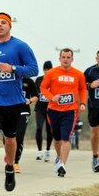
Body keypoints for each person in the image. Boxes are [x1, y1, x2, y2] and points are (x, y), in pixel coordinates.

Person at [0, 12, 38, 195]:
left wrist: (13, 68)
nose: (0, 25)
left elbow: (33, 69)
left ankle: (9, 167)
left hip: (13, 101)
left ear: (10, 26)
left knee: (10, 139)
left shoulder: (20, 46)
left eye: (3, 23)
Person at [38, 49, 87, 177]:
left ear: (72, 59)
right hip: (54, 110)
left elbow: (82, 89)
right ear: (59, 59)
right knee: (57, 138)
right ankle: (59, 157)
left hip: (70, 110)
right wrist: (51, 97)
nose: (66, 59)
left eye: (68, 57)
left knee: (66, 138)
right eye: (63, 57)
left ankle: (62, 164)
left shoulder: (78, 74)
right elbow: (43, 87)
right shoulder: (52, 73)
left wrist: (83, 103)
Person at [7, 76, 38, 173]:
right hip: (9, 112)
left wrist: (30, 100)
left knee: (19, 137)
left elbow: (36, 96)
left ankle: (15, 163)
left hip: (23, 112)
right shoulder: (9, 79)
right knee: (8, 139)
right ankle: (9, 153)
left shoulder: (29, 81)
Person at [34, 60, 54, 162]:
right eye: (45, 69)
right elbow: (35, 92)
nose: (47, 71)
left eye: (49, 69)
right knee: (39, 128)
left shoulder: (54, 80)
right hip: (40, 108)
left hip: (51, 109)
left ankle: (47, 151)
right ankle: (39, 150)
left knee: (49, 130)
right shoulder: (39, 80)